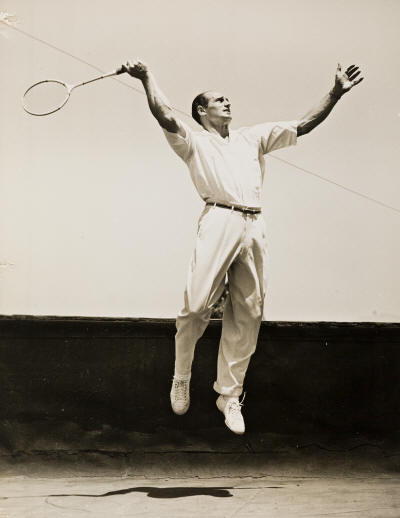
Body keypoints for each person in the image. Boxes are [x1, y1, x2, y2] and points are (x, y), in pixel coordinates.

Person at [123, 60, 363, 434]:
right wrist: (147, 77)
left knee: (249, 312)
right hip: (218, 218)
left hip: (254, 224)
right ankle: (181, 376)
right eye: (219, 99)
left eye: (228, 98)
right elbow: (164, 115)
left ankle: (229, 395)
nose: (228, 102)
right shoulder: (193, 141)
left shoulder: (253, 137)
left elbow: (302, 125)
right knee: (196, 305)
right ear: (202, 111)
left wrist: (334, 93)